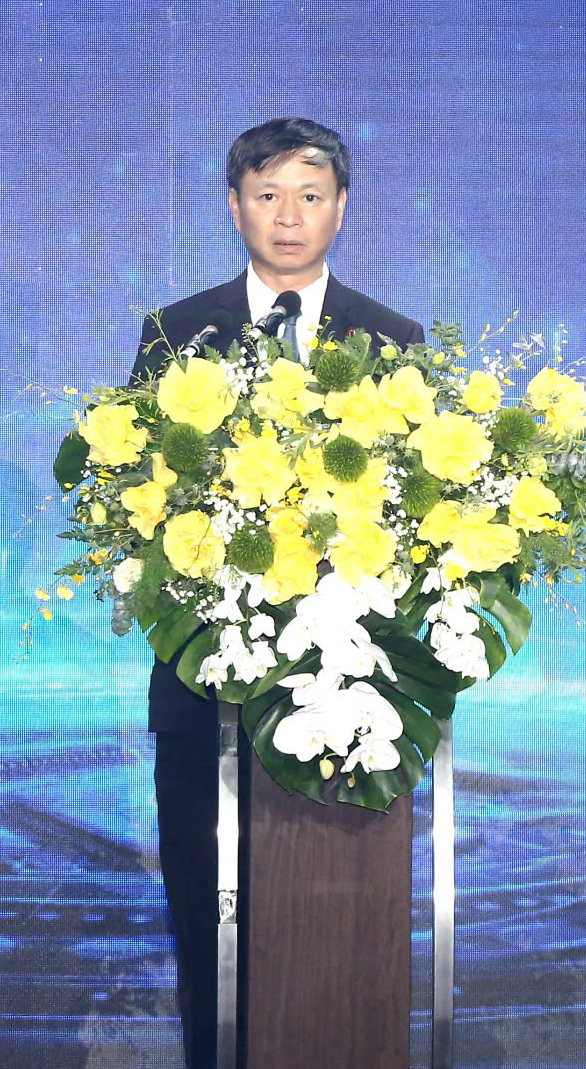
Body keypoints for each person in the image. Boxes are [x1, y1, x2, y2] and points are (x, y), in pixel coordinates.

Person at [129, 116, 424, 1069]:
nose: (287, 216)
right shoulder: (178, 333)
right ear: (234, 207)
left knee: (337, 943)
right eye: (267, 195)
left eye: (308, 195)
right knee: (206, 931)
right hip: (203, 694)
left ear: (341, 208)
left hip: (351, 702)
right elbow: (134, 499)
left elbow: (421, 517)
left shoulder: (393, 340)